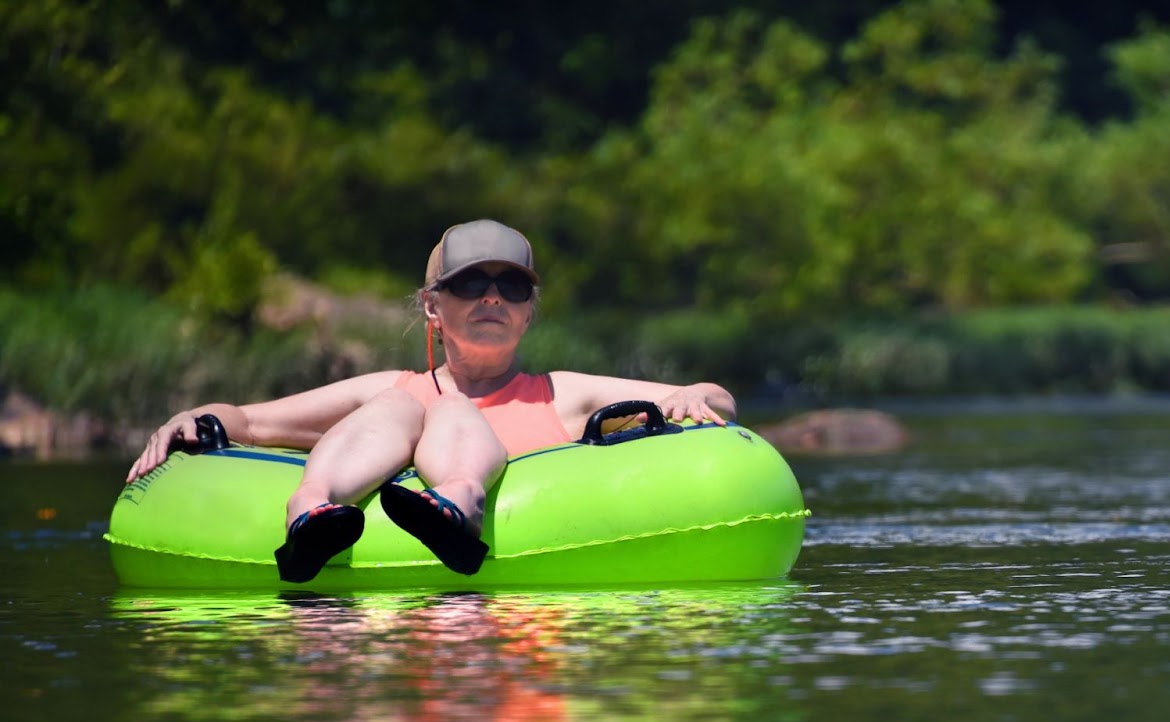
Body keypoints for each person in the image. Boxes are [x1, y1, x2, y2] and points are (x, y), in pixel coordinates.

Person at [127, 219, 735, 582]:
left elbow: (718, 398)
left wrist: (690, 394)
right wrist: (193, 417)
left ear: (529, 311)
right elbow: (250, 422)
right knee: (406, 404)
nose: (491, 298)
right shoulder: (389, 392)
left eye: (512, 287)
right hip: (388, 639)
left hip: (502, 617)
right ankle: (311, 513)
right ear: (432, 306)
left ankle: (456, 507)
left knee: (449, 410)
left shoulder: (565, 394)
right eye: (470, 284)